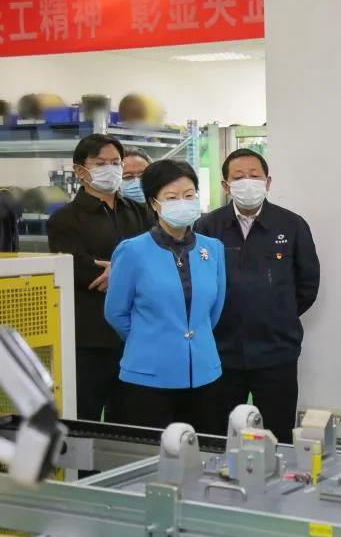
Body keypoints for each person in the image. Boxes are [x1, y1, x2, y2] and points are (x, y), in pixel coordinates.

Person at [195, 149, 320, 443]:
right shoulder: (207, 227)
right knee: (219, 436)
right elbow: (199, 285)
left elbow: (307, 284)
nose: (247, 182)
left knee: (277, 436)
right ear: (226, 185)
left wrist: (277, 312)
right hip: (221, 353)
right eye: (239, 177)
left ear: (268, 181)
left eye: (255, 176)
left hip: (276, 352)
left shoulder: (291, 225)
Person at [104, 159, 226, 434]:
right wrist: (150, 337)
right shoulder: (132, 251)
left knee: (204, 452)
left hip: (204, 374)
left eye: (189, 195)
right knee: (152, 455)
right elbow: (115, 312)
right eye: (172, 197)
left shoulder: (213, 249)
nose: (182, 202)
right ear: (154, 203)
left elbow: (214, 311)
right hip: (148, 377)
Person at [47, 134, 150, 422]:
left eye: (115, 162)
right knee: (86, 418)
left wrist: (119, 272)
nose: (111, 169)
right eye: (101, 163)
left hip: (136, 334)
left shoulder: (140, 212)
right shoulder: (64, 219)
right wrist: (132, 274)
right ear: (80, 170)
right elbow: (80, 270)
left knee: (132, 419)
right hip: (90, 338)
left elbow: (156, 258)